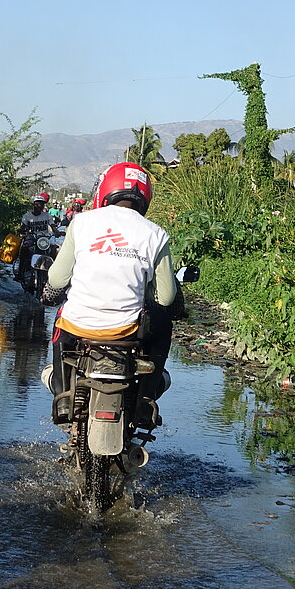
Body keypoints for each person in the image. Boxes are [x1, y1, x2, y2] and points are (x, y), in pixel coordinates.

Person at [41, 162, 179, 426]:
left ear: (104, 191)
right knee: (162, 324)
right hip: (127, 331)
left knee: (61, 316)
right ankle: (146, 398)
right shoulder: (156, 234)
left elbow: (57, 279)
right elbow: (166, 298)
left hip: (78, 326)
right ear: (145, 197)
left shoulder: (81, 223)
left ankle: (61, 393)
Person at [14, 194, 55, 283]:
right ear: (34, 205)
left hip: (44, 239)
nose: (40, 206)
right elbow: (23, 226)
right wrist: (23, 230)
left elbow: (53, 225)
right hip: (31, 238)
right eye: (38, 203)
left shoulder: (47, 215)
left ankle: (54, 272)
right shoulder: (27, 216)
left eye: (42, 204)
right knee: (24, 249)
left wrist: (57, 231)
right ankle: (20, 273)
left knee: (54, 249)